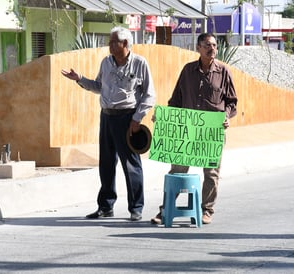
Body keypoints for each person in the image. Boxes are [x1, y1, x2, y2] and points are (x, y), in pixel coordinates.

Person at [61, 26, 156, 221]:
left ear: (125, 44)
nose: (110, 45)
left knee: (131, 164)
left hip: (128, 118)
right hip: (106, 116)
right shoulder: (106, 62)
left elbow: (149, 94)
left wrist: (137, 118)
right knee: (106, 163)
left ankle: (136, 208)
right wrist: (80, 79)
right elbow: (98, 86)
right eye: (110, 41)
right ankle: (105, 206)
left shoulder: (139, 63)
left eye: (114, 42)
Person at [151, 33, 238, 225]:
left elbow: (232, 102)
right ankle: (166, 210)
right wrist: (164, 118)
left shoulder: (224, 72)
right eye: (207, 45)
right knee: (177, 170)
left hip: (212, 132)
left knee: (211, 173)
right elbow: (176, 100)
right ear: (198, 47)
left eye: (214, 45)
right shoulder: (188, 70)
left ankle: (206, 209)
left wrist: (226, 116)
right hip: (188, 130)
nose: (212, 48)